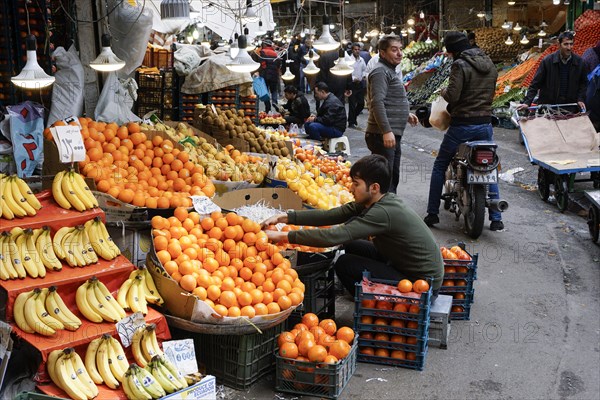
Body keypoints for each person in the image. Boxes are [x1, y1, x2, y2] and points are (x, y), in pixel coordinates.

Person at [261, 154, 444, 298]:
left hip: (421, 283)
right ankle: (369, 293)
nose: (351, 188)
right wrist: (285, 217)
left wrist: (283, 237)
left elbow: (334, 236)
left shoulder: (381, 212)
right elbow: (332, 215)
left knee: (345, 263)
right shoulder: (377, 201)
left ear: (374, 188)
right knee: (351, 245)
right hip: (399, 261)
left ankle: (368, 308)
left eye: (356, 184)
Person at [424, 31, 504, 231]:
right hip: (485, 124)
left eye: (449, 53)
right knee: (490, 168)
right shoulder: (489, 62)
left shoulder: (459, 65)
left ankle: (432, 214)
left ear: (453, 51)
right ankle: (496, 218)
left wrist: (442, 91)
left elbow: (452, 95)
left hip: (462, 125)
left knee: (440, 164)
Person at [365, 35, 418, 194]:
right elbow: (377, 102)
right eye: (394, 50)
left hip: (390, 134)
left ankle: (389, 210)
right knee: (385, 180)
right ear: (382, 53)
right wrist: (386, 131)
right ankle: (384, 212)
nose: (399, 53)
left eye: (400, 49)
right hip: (381, 135)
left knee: (392, 176)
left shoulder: (390, 71)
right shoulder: (381, 71)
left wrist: (405, 113)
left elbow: (388, 99)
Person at [518, 31, 587, 113]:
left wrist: (580, 99)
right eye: (566, 44)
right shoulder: (547, 61)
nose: (569, 47)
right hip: (549, 108)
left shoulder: (579, 62)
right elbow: (535, 83)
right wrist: (527, 102)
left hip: (570, 107)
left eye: (571, 44)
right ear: (559, 45)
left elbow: (583, 83)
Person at [347, 42, 367, 129]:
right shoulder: (349, 60)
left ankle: (353, 117)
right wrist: (353, 78)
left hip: (360, 84)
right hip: (352, 84)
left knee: (361, 104)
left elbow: (364, 70)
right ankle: (351, 122)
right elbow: (347, 71)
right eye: (355, 49)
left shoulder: (361, 60)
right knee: (352, 104)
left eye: (358, 49)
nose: (357, 51)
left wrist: (363, 76)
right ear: (352, 50)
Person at [258, 40, 281, 113]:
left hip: (265, 74)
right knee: (274, 90)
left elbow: (262, 63)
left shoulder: (263, 51)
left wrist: (262, 70)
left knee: (265, 92)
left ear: (265, 45)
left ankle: (268, 108)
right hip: (274, 74)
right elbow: (278, 64)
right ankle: (275, 102)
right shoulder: (275, 53)